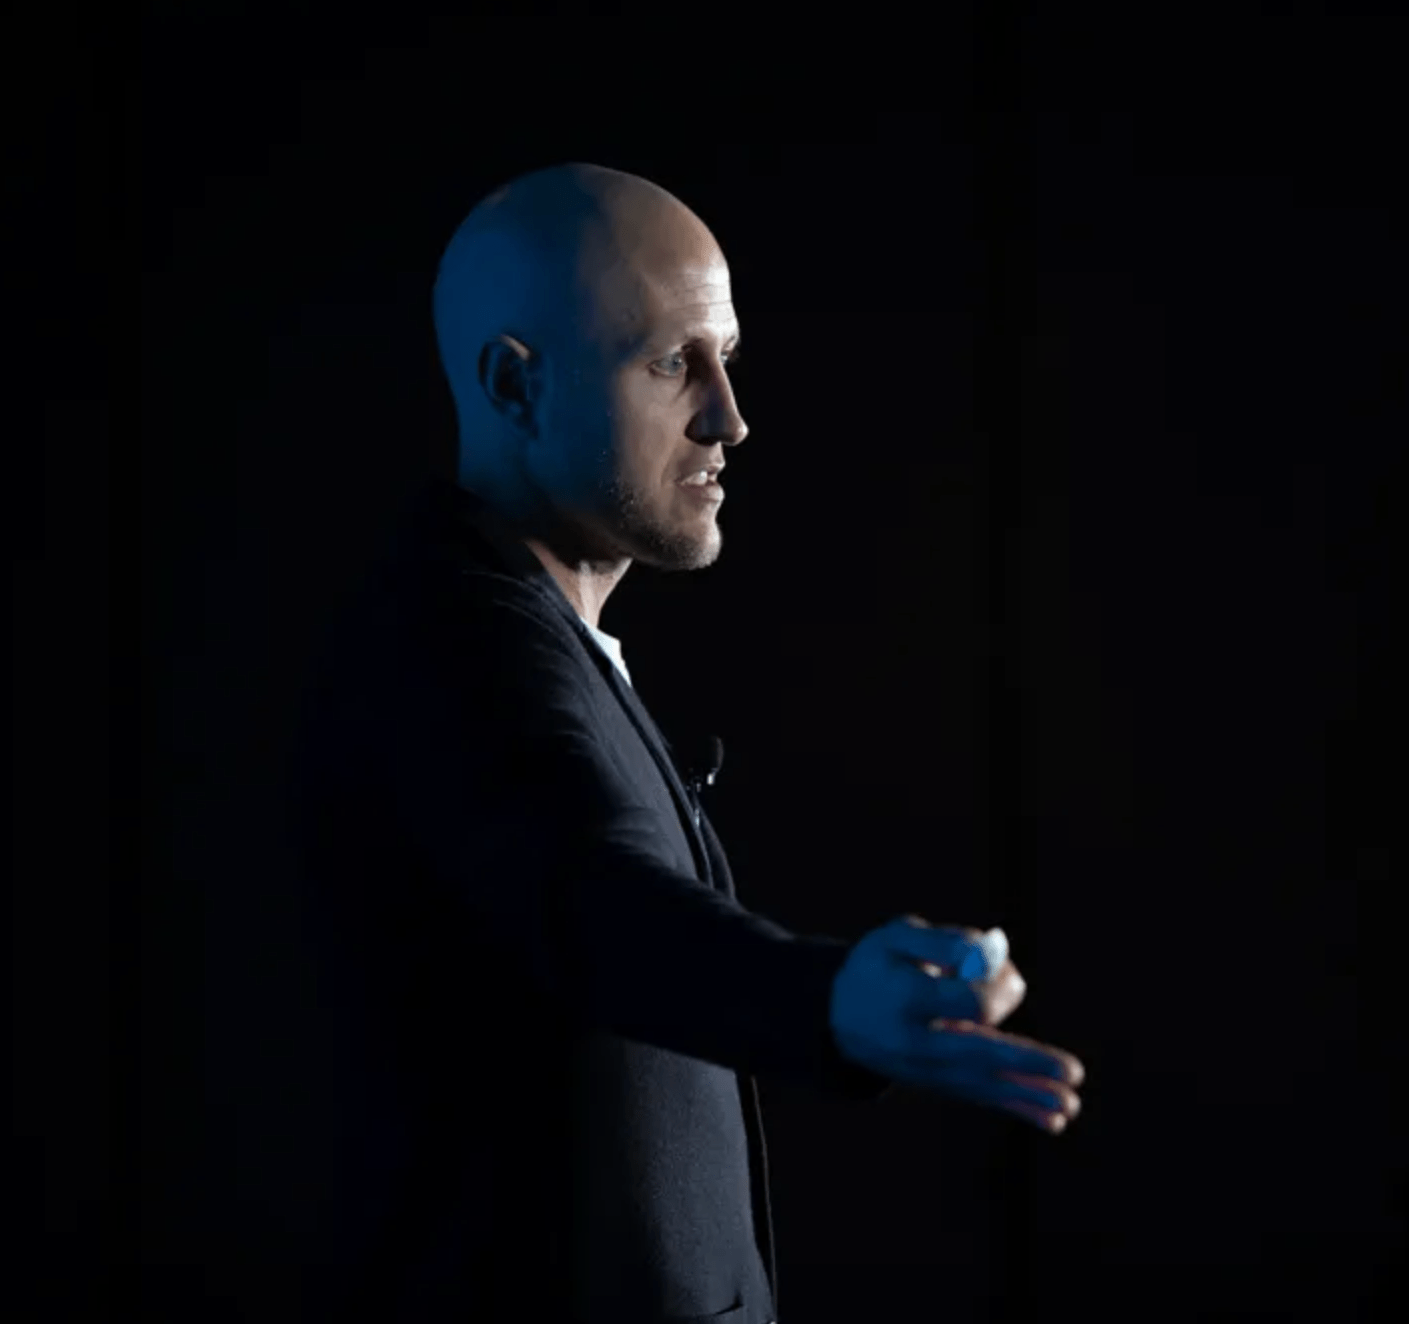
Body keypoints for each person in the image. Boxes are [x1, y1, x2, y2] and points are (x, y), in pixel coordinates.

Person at [289, 162, 1085, 1323]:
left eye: (728, 358)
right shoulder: (454, 646)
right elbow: (595, 897)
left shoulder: (533, 630)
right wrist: (823, 999)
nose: (728, 416)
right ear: (515, 385)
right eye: (672, 363)